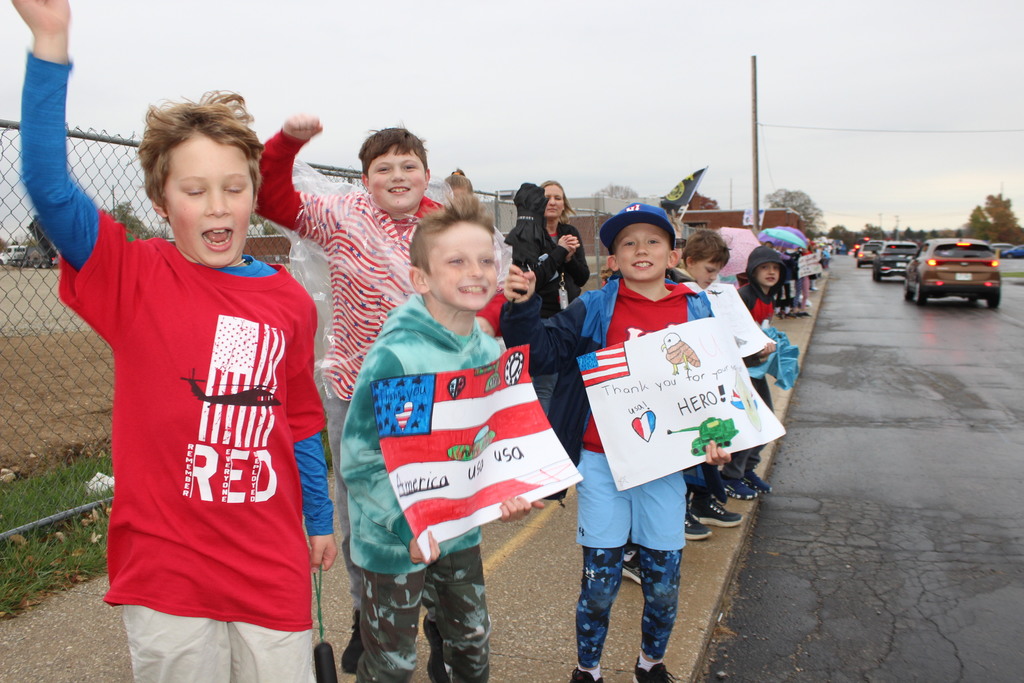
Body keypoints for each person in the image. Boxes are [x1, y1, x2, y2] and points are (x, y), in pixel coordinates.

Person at [13, 1, 337, 680]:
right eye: (195, 190)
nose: (217, 205)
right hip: (166, 568)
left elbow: (301, 421)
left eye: (233, 187)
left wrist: (318, 516)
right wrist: (50, 43)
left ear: (254, 195)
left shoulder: (287, 301)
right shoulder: (133, 276)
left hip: (269, 563)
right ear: (163, 201)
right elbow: (46, 185)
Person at [501, 203, 731, 683]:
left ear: (673, 254)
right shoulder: (595, 306)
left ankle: (651, 665)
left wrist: (720, 437)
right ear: (612, 258)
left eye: (652, 241)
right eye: (627, 242)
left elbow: (714, 383)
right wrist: (521, 307)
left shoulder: (696, 306)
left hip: (664, 465)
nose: (640, 249)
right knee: (600, 585)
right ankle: (587, 670)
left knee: (663, 584)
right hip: (601, 460)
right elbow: (542, 352)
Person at [255, 114, 451, 675]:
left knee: (431, 504)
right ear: (365, 179)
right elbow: (274, 199)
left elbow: (481, 294)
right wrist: (288, 143)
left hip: (426, 392)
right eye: (382, 167)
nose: (396, 174)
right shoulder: (341, 217)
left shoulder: (446, 227)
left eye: (407, 165)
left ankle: (438, 620)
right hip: (356, 390)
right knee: (360, 511)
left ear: (425, 175)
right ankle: (368, 620)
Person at [341, 193, 543, 682]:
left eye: (484, 260)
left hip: (459, 531)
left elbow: (493, 437)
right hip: (394, 542)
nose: (475, 271)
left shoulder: (489, 349)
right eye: (456, 261)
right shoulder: (400, 359)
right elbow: (365, 459)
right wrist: (404, 525)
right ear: (421, 279)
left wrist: (508, 489)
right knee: (393, 663)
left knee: (471, 644)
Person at [504, 181, 590, 411]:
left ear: (565, 205)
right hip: (543, 318)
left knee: (572, 380)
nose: (552, 202)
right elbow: (535, 279)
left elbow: (582, 277)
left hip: (570, 317)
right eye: (547, 197)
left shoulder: (570, 232)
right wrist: (559, 252)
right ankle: (546, 435)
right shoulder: (529, 234)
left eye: (558, 198)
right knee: (545, 383)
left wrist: (569, 259)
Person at [727, 245, 786, 499]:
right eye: (764, 268)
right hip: (743, 370)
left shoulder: (768, 296)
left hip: (757, 369)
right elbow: (734, 332)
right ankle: (730, 475)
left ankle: (747, 468)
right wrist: (754, 351)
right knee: (749, 422)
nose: (771, 272)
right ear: (752, 271)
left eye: (775, 268)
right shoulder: (745, 296)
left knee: (766, 419)